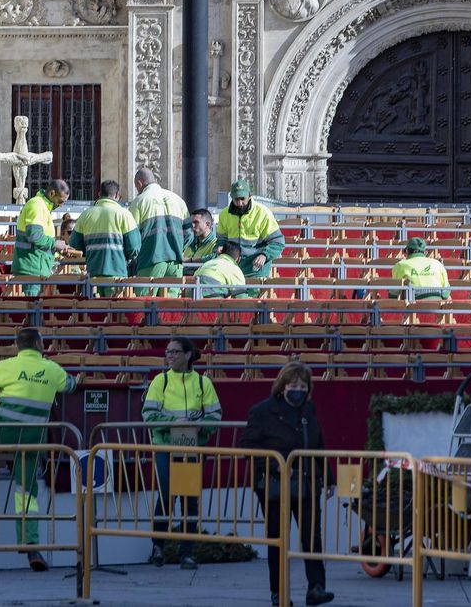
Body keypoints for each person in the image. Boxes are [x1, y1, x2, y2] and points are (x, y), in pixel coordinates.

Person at [0, 328, 77, 571]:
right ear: (40, 344)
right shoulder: (52, 369)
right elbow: (71, 386)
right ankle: (31, 545)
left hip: (5, 432)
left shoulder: (8, 366)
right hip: (33, 438)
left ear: (17, 345)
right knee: (27, 493)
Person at [239, 362, 334, 607]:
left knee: (312, 538)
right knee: (278, 541)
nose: (298, 390)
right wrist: (277, 462)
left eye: (303, 386)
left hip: (307, 483)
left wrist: (328, 477)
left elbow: (318, 444)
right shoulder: (262, 412)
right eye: (293, 385)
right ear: (282, 386)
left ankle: (316, 588)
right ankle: (279, 592)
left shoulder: (308, 410)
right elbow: (247, 446)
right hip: (274, 487)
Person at [142, 336, 221, 570]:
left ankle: (187, 553)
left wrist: (199, 428)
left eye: (175, 352)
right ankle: (158, 547)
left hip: (191, 448)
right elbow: (149, 415)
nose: (170, 356)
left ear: (188, 355)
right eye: (168, 352)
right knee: (167, 496)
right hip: (166, 447)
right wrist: (177, 423)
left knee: (188, 500)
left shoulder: (203, 382)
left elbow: (215, 416)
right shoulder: (160, 381)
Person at [69, 181, 142, 297]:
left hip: (92, 275)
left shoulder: (85, 215)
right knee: (114, 312)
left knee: (95, 313)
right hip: (117, 275)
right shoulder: (124, 214)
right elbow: (134, 247)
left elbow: (74, 246)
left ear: (99, 194)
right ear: (117, 195)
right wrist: (125, 258)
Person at [129, 167, 192, 296]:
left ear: (139, 184)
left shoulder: (139, 202)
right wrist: (178, 247)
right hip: (176, 263)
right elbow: (189, 234)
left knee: (143, 305)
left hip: (150, 260)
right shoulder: (178, 200)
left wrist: (134, 257)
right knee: (170, 309)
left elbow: (132, 237)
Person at [216, 180, 284, 297]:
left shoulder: (263, 213)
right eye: (237, 199)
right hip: (233, 270)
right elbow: (221, 239)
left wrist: (265, 255)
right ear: (231, 197)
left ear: (250, 196)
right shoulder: (224, 214)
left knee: (254, 306)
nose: (240, 202)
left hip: (256, 271)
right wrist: (219, 246)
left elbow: (278, 242)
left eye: (243, 198)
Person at [14, 180, 71, 296]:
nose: (61, 205)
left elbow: (41, 242)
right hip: (31, 268)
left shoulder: (41, 206)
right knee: (31, 308)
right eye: (60, 201)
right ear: (52, 194)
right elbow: (35, 236)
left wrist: (57, 250)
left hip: (35, 267)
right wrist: (55, 244)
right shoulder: (37, 205)